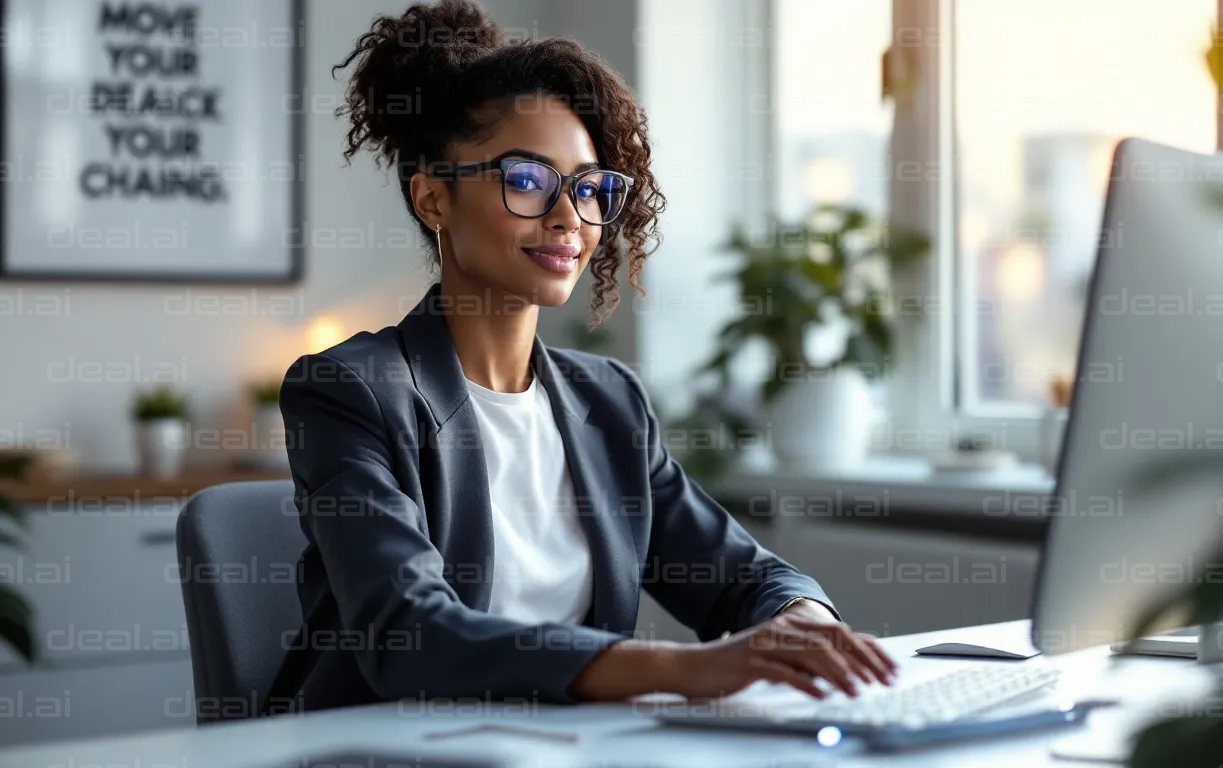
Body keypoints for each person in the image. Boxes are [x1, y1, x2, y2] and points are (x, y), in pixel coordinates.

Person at [266, 0, 897, 714]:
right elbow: (410, 634)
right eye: (528, 180)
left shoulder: (609, 403)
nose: (569, 215)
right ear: (434, 199)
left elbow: (744, 579)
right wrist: (688, 668)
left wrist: (801, 626)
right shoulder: (350, 389)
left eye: (591, 188)